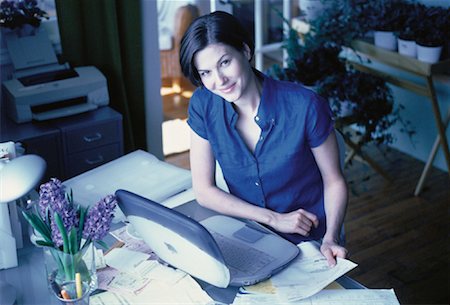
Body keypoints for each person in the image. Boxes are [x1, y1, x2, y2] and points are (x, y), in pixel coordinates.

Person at [179, 11, 348, 266]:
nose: (219, 80)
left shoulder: (305, 106)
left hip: (309, 241)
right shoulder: (203, 105)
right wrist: (272, 218)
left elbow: (334, 181)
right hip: (249, 236)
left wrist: (331, 236)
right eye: (206, 73)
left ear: (245, 51)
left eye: (225, 62)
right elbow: (204, 191)